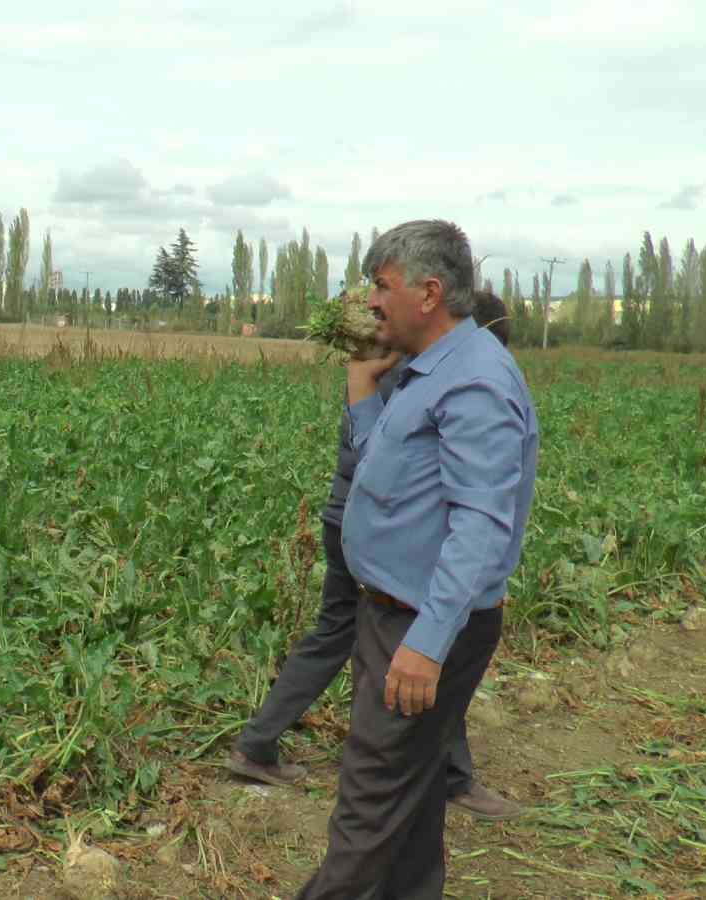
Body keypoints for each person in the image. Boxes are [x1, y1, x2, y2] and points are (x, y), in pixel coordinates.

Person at [294, 221, 539, 898]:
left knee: (370, 801)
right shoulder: (430, 370)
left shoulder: (475, 383)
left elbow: (480, 524)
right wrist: (362, 389)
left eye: (382, 286)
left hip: (420, 623)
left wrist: (427, 645)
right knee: (415, 792)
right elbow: (387, 468)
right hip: (393, 613)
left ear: (429, 294)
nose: (371, 301)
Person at [228, 290, 519, 821]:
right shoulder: (418, 379)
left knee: (350, 635)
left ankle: (258, 743)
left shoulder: (394, 367)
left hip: (351, 522)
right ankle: (449, 777)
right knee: (427, 640)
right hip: (378, 532)